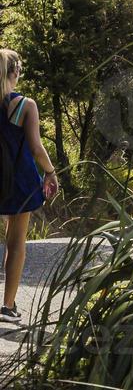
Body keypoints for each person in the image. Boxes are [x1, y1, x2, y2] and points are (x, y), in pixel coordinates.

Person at [0, 49, 58, 324]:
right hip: (19, 183)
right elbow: (36, 148)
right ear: (15, 73)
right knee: (15, 244)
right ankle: (7, 307)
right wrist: (50, 172)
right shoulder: (25, 105)